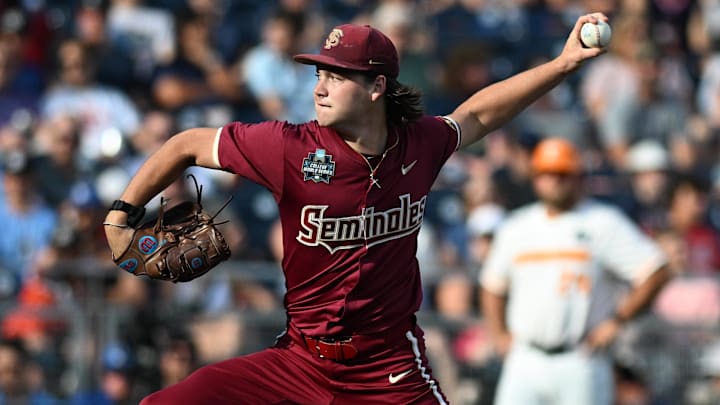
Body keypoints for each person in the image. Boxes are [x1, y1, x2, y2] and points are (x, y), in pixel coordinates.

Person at [105, 14, 609, 404]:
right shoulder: (290, 148)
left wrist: (563, 64)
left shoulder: (420, 144)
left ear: (376, 87)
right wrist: (121, 214)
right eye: (319, 72)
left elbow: (476, 113)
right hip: (300, 361)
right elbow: (187, 143)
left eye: (338, 75)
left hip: (388, 368)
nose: (320, 86)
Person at [480, 137, 671, 405]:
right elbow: (492, 285)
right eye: (546, 174)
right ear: (535, 178)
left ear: (578, 178)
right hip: (525, 356)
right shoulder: (517, 227)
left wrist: (618, 320)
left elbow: (656, 270)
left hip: (581, 356)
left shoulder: (602, 222)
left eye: (562, 174)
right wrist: (498, 333)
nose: (554, 181)